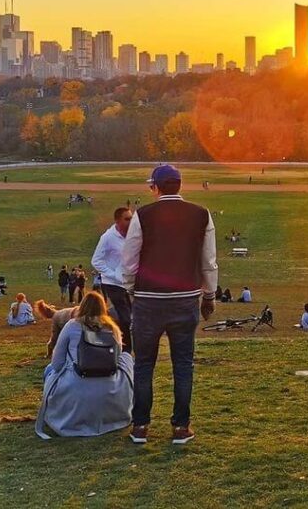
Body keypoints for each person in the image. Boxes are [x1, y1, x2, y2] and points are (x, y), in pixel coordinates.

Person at [122, 164, 218, 445]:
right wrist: (209, 296)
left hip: (148, 301)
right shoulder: (201, 214)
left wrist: (131, 290)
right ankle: (180, 427)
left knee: (144, 365)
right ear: (179, 185)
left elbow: (129, 260)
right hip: (185, 299)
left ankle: (140, 426)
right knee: (183, 364)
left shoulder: (144, 215)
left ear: (156, 187)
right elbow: (208, 260)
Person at [35, 291, 134, 439]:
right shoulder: (113, 329)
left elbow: (56, 364)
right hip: (110, 390)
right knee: (127, 358)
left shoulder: (72, 325)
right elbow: (118, 358)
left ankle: (58, 409)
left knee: (48, 369)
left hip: (77, 383)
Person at [92, 206, 135, 352]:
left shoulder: (132, 234)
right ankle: (126, 350)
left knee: (132, 315)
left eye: (131, 218)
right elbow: (96, 261)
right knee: (125, 318)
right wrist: (113, 274)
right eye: (127, 218)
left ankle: (122, 344)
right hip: (112, 283)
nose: (131, 221)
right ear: (117, 221)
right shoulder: (108, 237)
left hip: (128, 283)